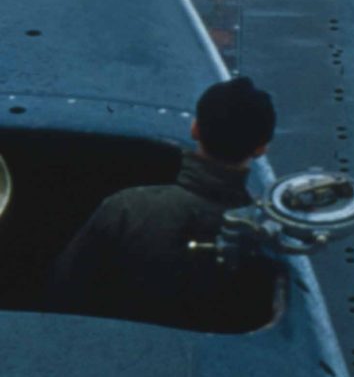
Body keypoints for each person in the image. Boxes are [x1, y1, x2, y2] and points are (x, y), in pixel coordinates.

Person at [49, 76, 277, 332]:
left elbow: (64, 284)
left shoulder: (125, 208)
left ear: (195, 129)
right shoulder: (266, 236)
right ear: (261, 149)